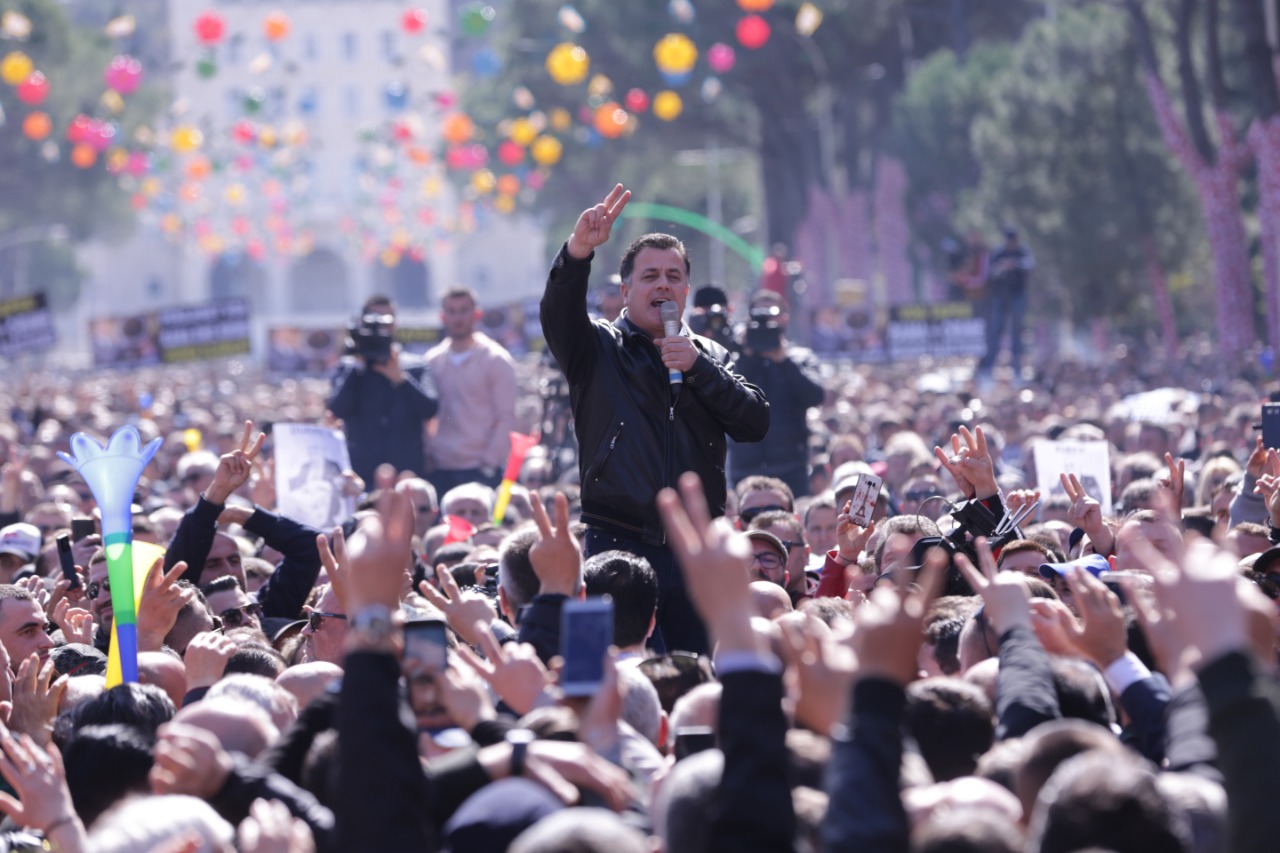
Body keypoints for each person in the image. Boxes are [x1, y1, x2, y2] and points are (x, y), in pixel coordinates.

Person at [540, 183, 770, 654]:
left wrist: (698, 368)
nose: (662, 285)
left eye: (672, 276)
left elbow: (755, 422)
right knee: (622, 665)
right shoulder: (598, 349)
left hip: (695, 549)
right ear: (626, 290)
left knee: (691, 669)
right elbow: (558, 313)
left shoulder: (713, 356)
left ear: (686, 290)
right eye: (649, 277)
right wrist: (578, 252)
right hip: (618, 541)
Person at [327, 295, 439, 483]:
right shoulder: (348, 367)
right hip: (362, 471)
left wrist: (401, 379)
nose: (379, 327)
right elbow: (337, 408)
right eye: (373, 319)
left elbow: (430, 409)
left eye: (385, 320)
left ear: (395, 324)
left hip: (406, 469)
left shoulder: (414, 365)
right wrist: (358, 367)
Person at [727, 291, 825, 497]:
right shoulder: (733, 357)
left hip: (790, 466)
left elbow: (815, 396)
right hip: (745, 467)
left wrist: (783, 360)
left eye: (772, 312)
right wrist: (747, 356)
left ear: (784, 318)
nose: (766, 318)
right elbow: (726, 395)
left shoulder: (800, 357)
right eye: (759, 312)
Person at [424, 287, 518, 495]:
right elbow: (426, 416)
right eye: (451, 311)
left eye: (464, 310)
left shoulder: (496, 359)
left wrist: (488, 462)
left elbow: (506, 417)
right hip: (441, 469)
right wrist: (429, 454)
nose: (458, 317)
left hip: (481, 469)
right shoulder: (431, 361)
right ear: (442, 316)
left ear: (477, 314)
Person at [977, 226, 1035, 378]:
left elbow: (1030, 264)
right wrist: (1002, 267)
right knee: (996, 330)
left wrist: (1015, 264)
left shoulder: (1022, 251)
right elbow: (989, 272)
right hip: (1000, 297)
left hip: (1017, 295)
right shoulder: (998, 252)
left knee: (1017, 330)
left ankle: (1016, 367)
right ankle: (990, 365)